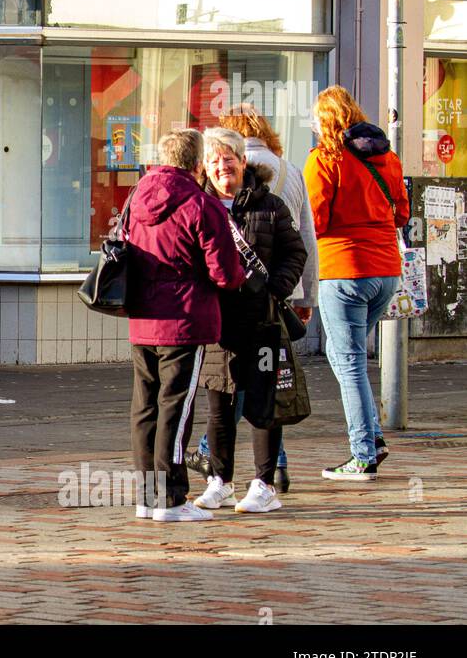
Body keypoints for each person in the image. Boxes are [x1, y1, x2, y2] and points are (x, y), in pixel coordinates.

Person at [188, 103, 318, 492]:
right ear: (204, 167)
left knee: (264, 402)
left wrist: (281, 289)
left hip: (262, 318)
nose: (221, 166)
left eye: (228, 159)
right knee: (220, 406)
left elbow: (298, 249)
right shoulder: (200, 205)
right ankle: (220, 480)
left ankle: (263, 484)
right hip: (218, 322)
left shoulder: (268, 205)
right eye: (214, 161)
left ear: (243, 161)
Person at [125, 128, 245, 522]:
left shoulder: (136, 196)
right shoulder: (201, 205)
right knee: (176, 407)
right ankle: (171, 498)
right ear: (197, 164)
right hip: (185, 321)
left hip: (143, 319)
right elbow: (226, 273)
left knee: (146, 406)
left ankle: (147, 496)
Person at [305, 86, 409, 482]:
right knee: (343, 355)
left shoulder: (324, 159)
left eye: (316, 118)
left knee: (348, 362)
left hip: (344, 267)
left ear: (326, 120)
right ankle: (374, 438)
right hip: (385, 270)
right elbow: (402, 212)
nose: (313, 125)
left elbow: (315, 219)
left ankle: (363, 453)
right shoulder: (387, 158)